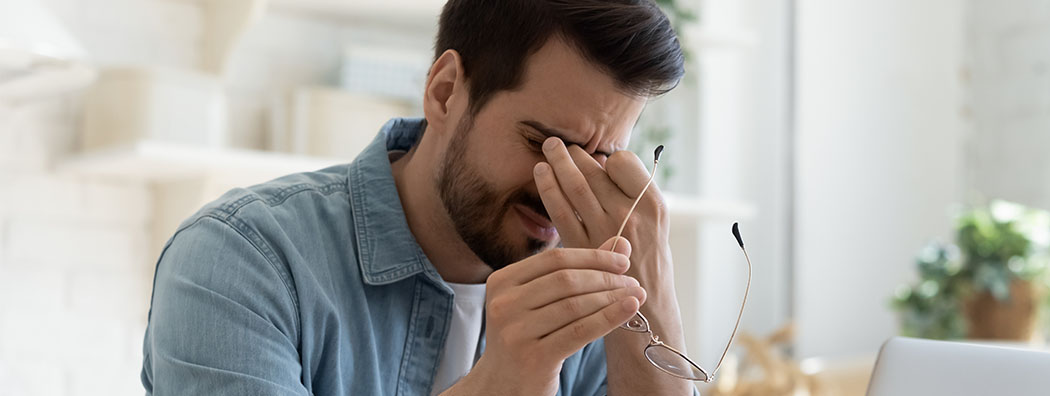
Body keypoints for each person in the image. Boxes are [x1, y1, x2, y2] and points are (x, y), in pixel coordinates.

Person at [140, 0, 695, 394]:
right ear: (445, 92)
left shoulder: (603, 299)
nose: (564, 190)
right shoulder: (239, 261)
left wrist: (656, 302)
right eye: (543, 143)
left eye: (600, 159)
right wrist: (502, 386)